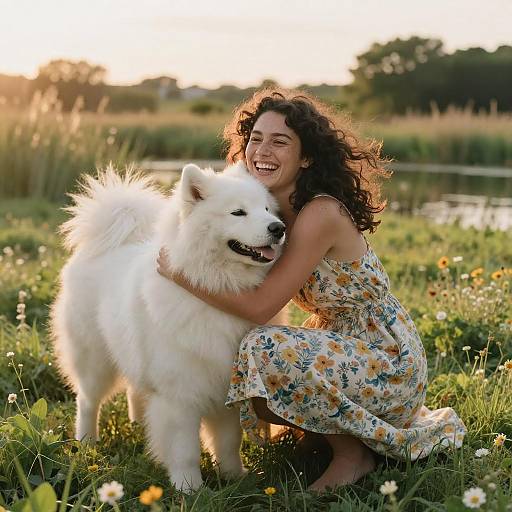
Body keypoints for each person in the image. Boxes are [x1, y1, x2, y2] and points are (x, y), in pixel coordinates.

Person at [157, 89, 466, 491]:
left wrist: (180, 275)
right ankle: (323, 434)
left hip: (385, 358)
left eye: (280, 141)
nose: (262, 150)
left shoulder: (319, 213)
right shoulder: (266, 209)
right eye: (255, 139)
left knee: (261, 348)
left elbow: (260, 305)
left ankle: (353, 455)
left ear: (305, 157)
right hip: (342, 344)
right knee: (250, 358)